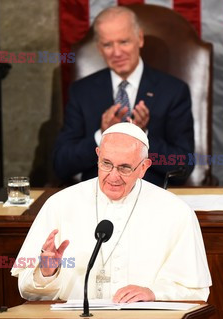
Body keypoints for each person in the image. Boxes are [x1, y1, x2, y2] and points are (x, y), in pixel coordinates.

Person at [12, 123, 211, 302]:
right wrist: (47, 271)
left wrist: (153, 292)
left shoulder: (175, 212)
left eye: (125, 168)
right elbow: (27, 290)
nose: (113, 176)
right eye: (106, 164)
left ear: (143, 167)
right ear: (97, 155)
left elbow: (197, 291)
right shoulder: (60, 204)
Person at [53, 6, 194, 187]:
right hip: (95, 201)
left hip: (150, 199)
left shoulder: (174, 91)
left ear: (140, 39)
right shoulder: (81, 91)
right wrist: (102, 136)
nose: (117, 52)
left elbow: (184, 165)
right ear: (99, 48)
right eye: (108, 45)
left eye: (124, 42)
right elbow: (61, 164)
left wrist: (143, 136)